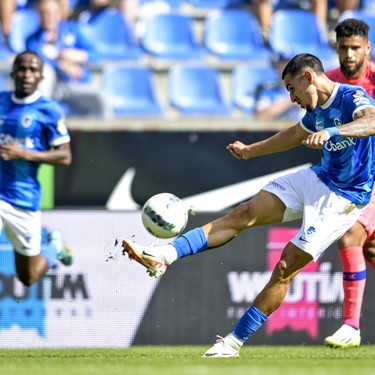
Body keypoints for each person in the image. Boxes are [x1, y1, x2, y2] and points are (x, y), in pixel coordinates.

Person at [122, 53, 375, 357]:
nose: (292, 97)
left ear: (308, 77)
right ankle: (164, 254)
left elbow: (371, 122)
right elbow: (295, 135)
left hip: (344, 198)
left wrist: (332, 131)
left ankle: (232, 343)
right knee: (244, 212)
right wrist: (250, 151)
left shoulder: (351, 96)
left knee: (284, 267)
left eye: (292, 89)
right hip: (317, 177)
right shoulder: (314, 111)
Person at [0, 50, 73, 287]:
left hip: (24, 198)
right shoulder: (1, 101)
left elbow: (64, 156)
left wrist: (24, 153)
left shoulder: (48, 110)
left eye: (33, 70)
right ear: (13, 73)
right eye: (22, 68)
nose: (27, 74)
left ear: (41, 76)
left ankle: (55, 247)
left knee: (28, 276)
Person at [323, 18, 375, 349]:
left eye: (356, 47)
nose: (350, 54)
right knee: (368, 248)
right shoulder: (330, 83)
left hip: (371, 179)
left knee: (349, 235)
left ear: (367, 48)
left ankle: (351, 327)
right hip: (353, 179)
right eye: (344, 48)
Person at [26, 0, 105, 116]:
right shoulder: (33, 40)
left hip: (76, 85)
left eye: (52, 12)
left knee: (101, 99)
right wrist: (60, 65)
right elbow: (37, 61)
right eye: (44, 13)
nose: (49, 17)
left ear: (59, 13)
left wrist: (77, 55)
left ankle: (100, 134)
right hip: (53, 87)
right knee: (44, 73)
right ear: (38, 14)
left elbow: (97, 56)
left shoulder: (73, 31)